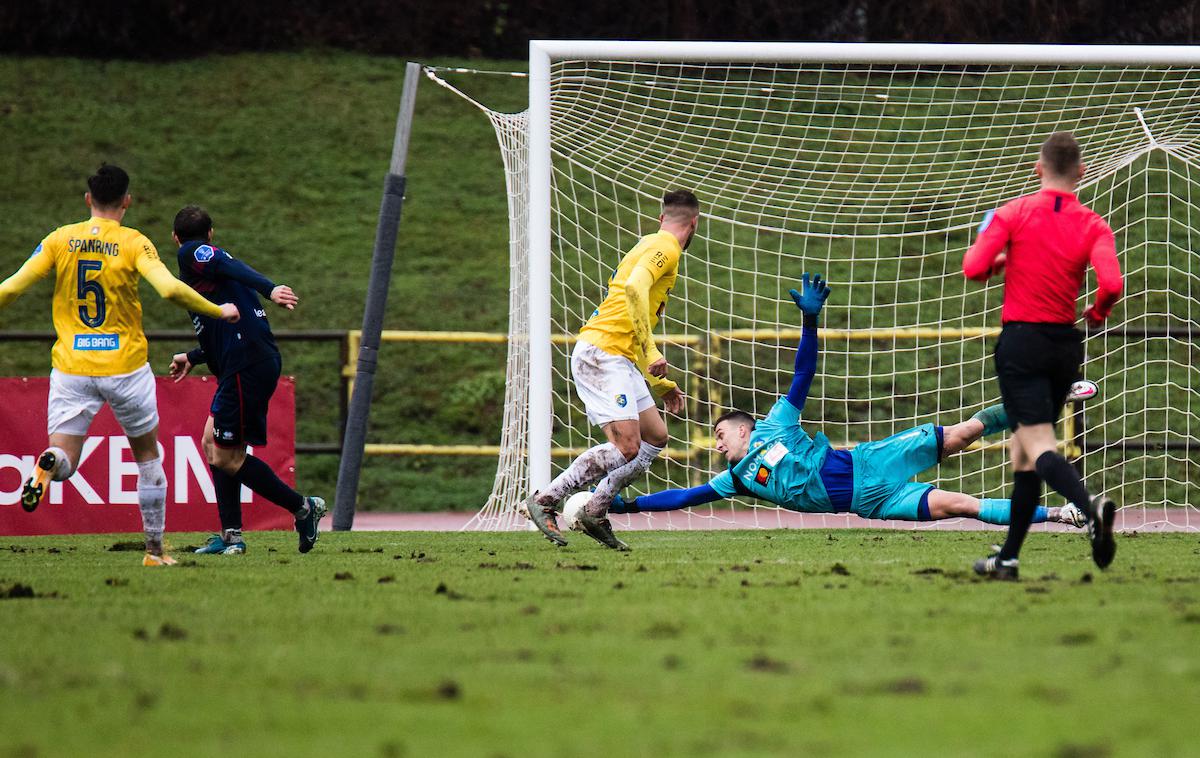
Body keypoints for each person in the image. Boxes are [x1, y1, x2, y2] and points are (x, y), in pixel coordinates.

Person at [604, 275, 1089, 532]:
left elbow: (803, 374)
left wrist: (811, 324)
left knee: (965, 433)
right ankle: (1064, 515)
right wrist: (624, 507)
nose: (716, 443)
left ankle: (1041, 397)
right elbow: (683, 498)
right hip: (871, 501)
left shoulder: (775, 424)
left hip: (870, 460)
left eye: (719, 433)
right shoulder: (735, 480)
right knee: (959, 504)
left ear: (742, 428)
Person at [0, 165, 240, 566]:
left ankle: (48, 464)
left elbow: (10, 288)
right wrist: (218, 310)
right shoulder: (134, 243)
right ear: (127, 201)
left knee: (66, 461)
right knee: (148, 459)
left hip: (72, 367)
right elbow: (167, 289)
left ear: (87, 200)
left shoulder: (60, 239)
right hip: (125, 367)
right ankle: (154, 551)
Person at [963, 131, 1123, 580]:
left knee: (1037, 446)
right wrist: (1097, 311)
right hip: (1064, 345)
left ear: (1038, 168)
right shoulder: (1094, 224)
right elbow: (1111, 283)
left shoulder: (1013, 212)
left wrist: (1000, 264)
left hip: (1023, 343)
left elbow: (974, 267)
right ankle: (1008, 559)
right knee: (1024, 454)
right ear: (1081, 172)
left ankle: (1090, 509)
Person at [520, 190, 696, 550]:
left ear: (662, 217)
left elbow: (633, 316)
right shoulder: (667, 248)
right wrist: (651, 352)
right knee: (628, 447)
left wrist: (660, 384)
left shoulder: (649, 242)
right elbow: (634, 287)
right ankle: (546, 500)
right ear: (694, 223)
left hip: (619, 356)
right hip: (602, 353)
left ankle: (595, 509)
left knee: (655, 437)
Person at [165, 205, 325, 555]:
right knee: (212, 443)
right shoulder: (218, 278)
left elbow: (224, 266)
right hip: (247, 362)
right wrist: (192, 357)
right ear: (211, 232)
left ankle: (303, 508)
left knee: (226, 456)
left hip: (245, 366)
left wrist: (270, 289)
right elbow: (222, 329)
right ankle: (231, 536)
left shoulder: (192, 253)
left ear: (178, 238)